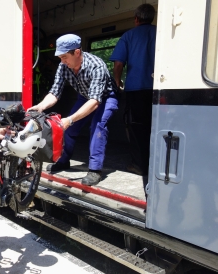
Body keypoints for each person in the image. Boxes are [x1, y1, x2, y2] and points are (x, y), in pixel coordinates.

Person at [28, 34, 119, 186]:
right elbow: (55, 92)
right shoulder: (64, 67)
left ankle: (95, 170)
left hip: (104, 98)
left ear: (77, 52)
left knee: (98, 127)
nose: (62, 61)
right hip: (85, 97)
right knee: (69, 130)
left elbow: (95, 102)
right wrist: (40, 106)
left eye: (64, 57)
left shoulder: (97, 66)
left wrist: (69, 119)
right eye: (60, 57)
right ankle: (63, 161)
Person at [110, 4, 156, 176]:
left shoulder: (128, 36)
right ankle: (155, 163)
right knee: (155, 127)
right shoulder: (160, 33)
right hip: (158, 90)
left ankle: (139, 164)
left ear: (136, 19)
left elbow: (119, 64)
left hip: (136, 90)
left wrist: (117, 81)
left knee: (137, 128)